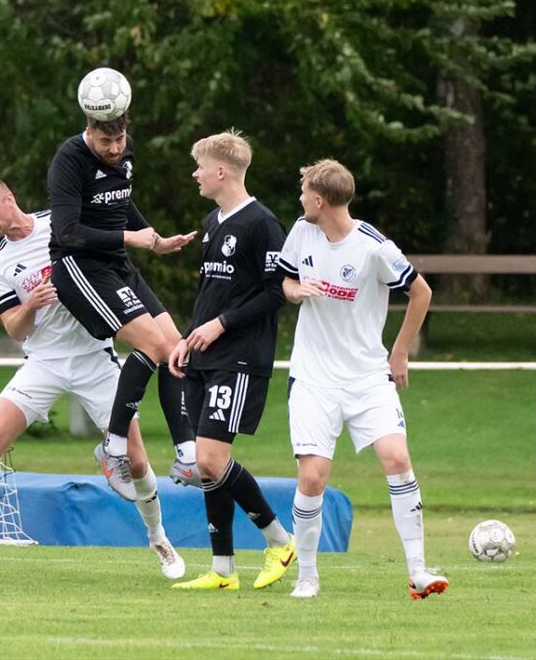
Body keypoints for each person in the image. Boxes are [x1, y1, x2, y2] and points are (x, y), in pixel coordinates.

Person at [0, 178, 185, 578]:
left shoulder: (59, 222)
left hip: (93, 356)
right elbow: (15, 330)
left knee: (136, 461)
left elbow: (109, 246)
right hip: (44, 362)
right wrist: (30, 305)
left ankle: (159, 539)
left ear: (9, 200)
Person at [278, 158, 448, 599]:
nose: (300, 200)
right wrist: (299, 291)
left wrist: (400, 350)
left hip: (367, 376)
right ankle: (307, 577)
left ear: (319, 199)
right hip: (313, 376)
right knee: (313, 477)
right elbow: (286, 281)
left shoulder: (373, 246)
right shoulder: (302, 231)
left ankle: (418, 571)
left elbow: (421, 291)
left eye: (304, 193)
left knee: (396, 457)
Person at [47, 109, 198, 502]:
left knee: (176, 349)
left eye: (120, 141)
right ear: (89, 130)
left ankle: (186, 455)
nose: (114, 150)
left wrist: (156, 239)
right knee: (153, 345)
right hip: (79, 268)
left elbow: (122, 205)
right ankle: (113, 448)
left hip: (117, 265)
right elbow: (67, 231)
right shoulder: (69, 160)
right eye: (105, 142)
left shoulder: (125, 153)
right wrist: (130, 239)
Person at [167, 130, 295, 592]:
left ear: (222, 171)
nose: (195, 174)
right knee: (207, 465)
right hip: (206, 356)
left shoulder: (262, 224)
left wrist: (220, 325)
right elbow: (212, 292)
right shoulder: (212, 221)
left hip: (240, 358)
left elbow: (274, 292)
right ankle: (223, 571)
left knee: (211, 458)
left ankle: (280, 541)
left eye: (200, 166)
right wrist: (188, 337)